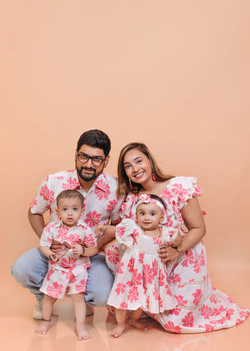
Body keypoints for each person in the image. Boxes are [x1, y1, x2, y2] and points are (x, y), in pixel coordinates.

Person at [104, 142, 249, 333]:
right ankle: (142, 302)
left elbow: (198, 228)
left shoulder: (177, 186)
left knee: (175, 323)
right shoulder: (132, 198)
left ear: (149, 160)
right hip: (150, 261)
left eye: (139, 161)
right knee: (115, 252)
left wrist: (176, 250)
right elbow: (126, 231)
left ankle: (166, 301)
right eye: (128, 166)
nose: (135, 169)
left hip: (180, 256)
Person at [11, 129, 120, 320]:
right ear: (76, 154)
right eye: (83, 157)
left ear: (106, 160)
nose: (88, 164)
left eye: (96, 159)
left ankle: (84, 299)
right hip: (55, 254)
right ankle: (42, 297)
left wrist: (92, 248)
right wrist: (48, 242)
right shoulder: (54, 181)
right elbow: (34, 212)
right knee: (21, 269)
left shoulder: (116, 189)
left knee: (102, 294)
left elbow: (118, 228)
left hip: (92, 255)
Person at [105, 194, 187, 337]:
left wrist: (180, 235)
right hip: (130, 273)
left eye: (152, 214)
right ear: (136, 216)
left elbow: (175, 243)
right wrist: (103, 228)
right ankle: (120, 324)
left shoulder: (165, 232)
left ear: (162, 218)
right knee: (121, 300)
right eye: (142, 213)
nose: (146, 217)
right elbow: (117, 230)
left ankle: (132, 320)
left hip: (149, 276)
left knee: (141, 302)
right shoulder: (135, 229)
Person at [36, 190, 97, 339]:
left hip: (77, 269)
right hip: (57, 269)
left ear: (82, 211)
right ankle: (45, 320)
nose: (70, 213)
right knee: (49, 297)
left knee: (78, 298)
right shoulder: (51, 229)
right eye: (65, 209)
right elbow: (43, 245)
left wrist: (83, 250)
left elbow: (93, 249)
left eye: (75, 209)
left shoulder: (85, 230)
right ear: (57, 212)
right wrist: (50, 253)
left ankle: (81, 326)